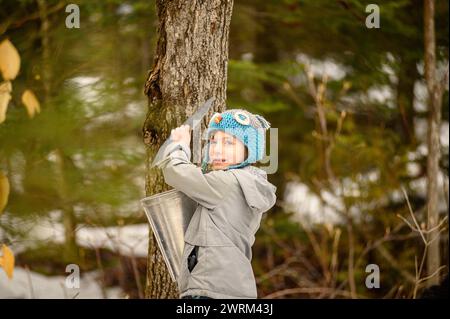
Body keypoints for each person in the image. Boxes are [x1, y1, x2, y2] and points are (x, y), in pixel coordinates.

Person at [157, 109, 277, 299]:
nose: (217, 149)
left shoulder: (226, 183)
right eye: (213, 141)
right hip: (233, 289)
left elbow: (174, 171)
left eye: (229, 142)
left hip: (209, 288)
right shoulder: (248, 183)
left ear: (248, 151)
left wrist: (179, 147)